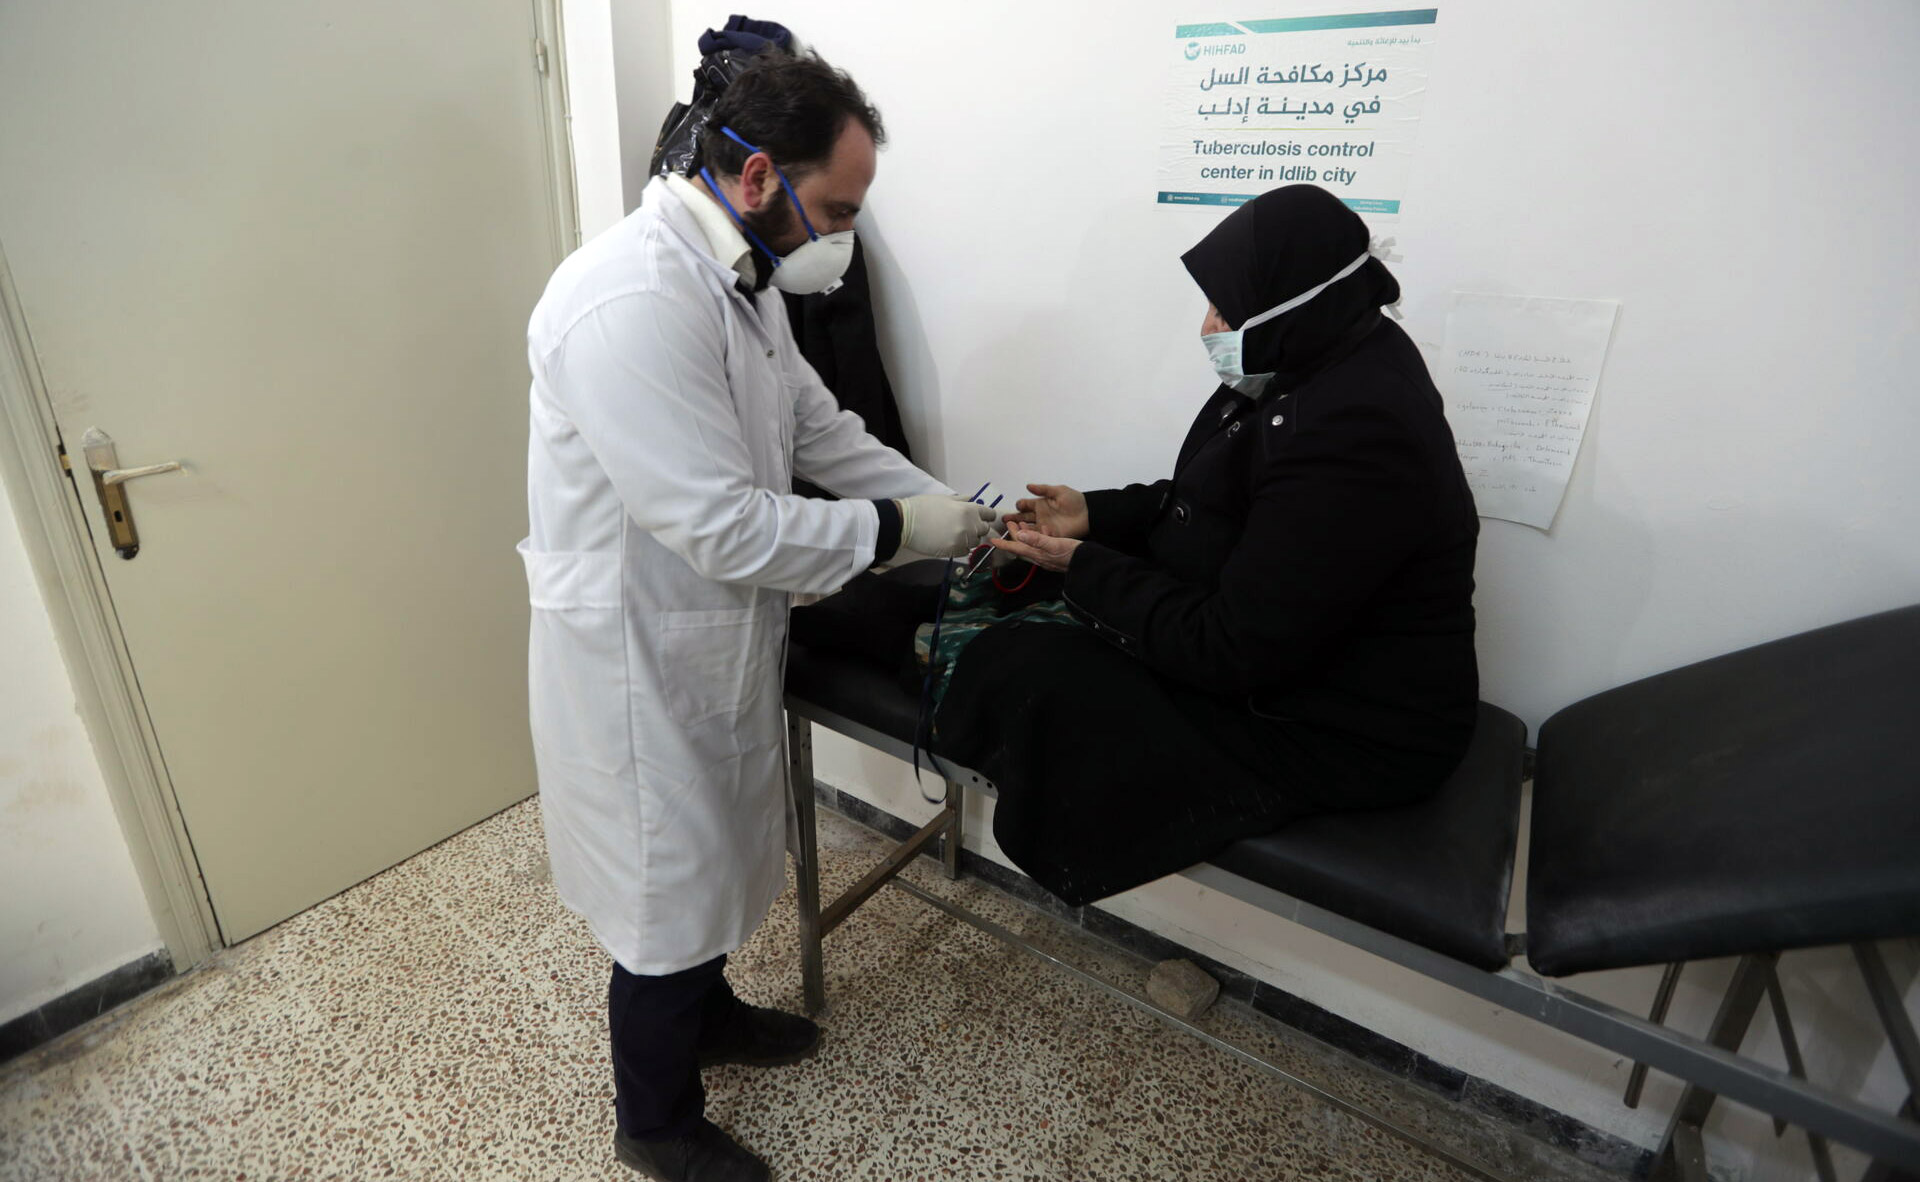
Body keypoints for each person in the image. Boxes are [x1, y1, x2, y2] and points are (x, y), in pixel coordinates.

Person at [519, 52, 996, 1182]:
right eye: (834, 209)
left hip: (716, 632)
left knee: (720, 855)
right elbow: (723, 525)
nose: (841, 234)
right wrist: (904, 538)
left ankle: (714, 1015)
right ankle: (655, 1118)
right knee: (662, 884)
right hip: (636, 648)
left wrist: (949, 508)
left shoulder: (743, 280)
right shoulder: (627, 299)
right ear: (751, 177)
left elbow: (819, 431)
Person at [939, 183, 1480, 907]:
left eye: (1226, 309)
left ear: (1293, 303)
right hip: (1282, 659)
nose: (1209, 324)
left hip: (1343, 728)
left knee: (1029, 667)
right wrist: (1092, 518)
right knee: (1027, 612)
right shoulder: (1318, 355)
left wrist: (1085, 565)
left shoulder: (1356, 431)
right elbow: (1217, 500)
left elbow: (1231, 649)